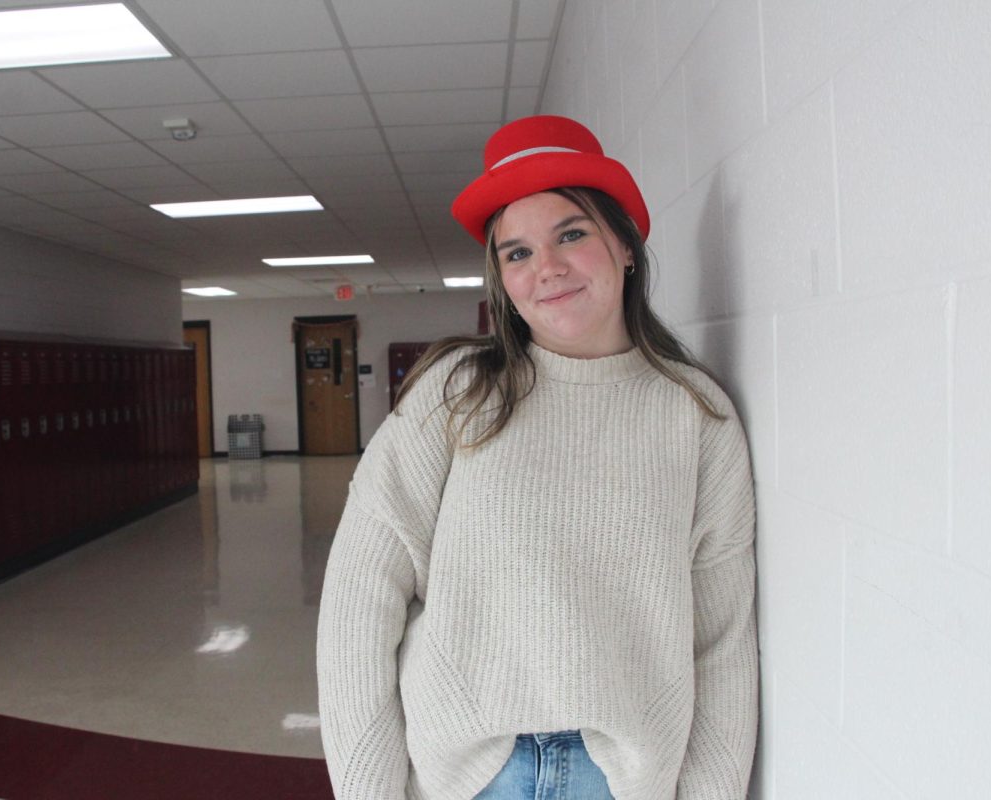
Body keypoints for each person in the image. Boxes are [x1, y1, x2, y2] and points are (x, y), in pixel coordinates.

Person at [317, 115, 758, 800]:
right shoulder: (457, 392)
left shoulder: (697, 414)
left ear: (625, 246)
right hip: (467, 774)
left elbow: (722, 640)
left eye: (571, 234)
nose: (545, 268)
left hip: (621, 779)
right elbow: (358, 601)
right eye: (516, 253)